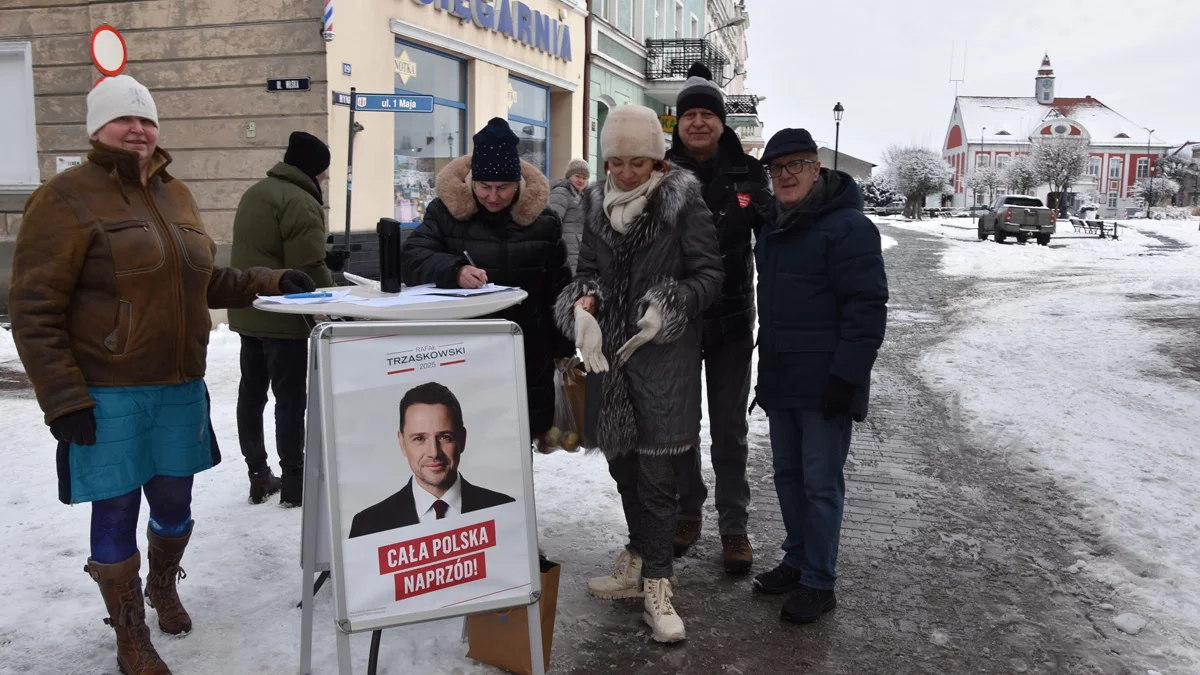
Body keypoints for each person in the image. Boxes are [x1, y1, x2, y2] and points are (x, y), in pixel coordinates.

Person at [7, 74, 313, 675]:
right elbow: (33, 307)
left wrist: (268, 280)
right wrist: (62, 396)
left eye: (146, 120)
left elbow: (202, 282)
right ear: (97, 128)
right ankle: (129, 632)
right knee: (117, 508)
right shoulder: (66, 197)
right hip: (107, 390)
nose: (138, 130)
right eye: (124, 119)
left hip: (179, 386)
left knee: (175, 501)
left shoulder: (175, 195)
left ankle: (163, 585)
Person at [554, 104, 723, 643]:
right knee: (622, 468)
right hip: (611, 361)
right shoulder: (596, 203)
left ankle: (658, 586)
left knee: (656, 480)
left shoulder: (683, 202)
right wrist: (584, 306)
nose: (625, 173)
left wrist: (667, 304)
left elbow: (709, 273)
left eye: (637, 163)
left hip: (664, 362)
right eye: (616, 162)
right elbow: (586, 272)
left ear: (657, 161)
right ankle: (637, 557)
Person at [750, 128, 888, 624]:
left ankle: (819, 581)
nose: (785, 176)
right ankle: (796, 559)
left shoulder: (849, 227)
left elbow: (867, 307)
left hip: (826, 379)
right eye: (776, 168)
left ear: (816, 168)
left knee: (821, 483)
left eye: (795, 166)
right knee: (787, 476)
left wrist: (847, 377)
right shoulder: (773, 223)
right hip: (783, 373)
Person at [402, 117, 575, 450]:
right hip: (463, 352)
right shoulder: (445, 213)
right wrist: (453, 270)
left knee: (518, 446)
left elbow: (559, 287)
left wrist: (564, 348)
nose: (493, 196)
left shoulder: (544, 221)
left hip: (527, 353)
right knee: (463, 440)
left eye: (503, 187)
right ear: (470, 182)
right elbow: (411, 257)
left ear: (518, 184)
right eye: (484, 187)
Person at [665, 63, 770, 572]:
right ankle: (688, 512)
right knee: (681, 426)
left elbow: (774, 232)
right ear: (677, 123)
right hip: (677, 320)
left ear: (722, 123)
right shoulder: (659, 172)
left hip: (731, 320)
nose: (699, 122)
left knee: (729, 428)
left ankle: (735, 526)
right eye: (691, 115)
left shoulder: (749, 174)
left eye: (708, 113)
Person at [228, 131, 339, 507]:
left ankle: (257, 475)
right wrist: (335, 299)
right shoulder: (300, 201)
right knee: (290, 400)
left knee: (252, 394)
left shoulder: (256, 192)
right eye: (324, 172)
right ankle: (294, 482)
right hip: (283, 317)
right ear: (314, 168)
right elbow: (308, 267)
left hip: (248, 308)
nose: (325, 178)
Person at [348, 382, 515, 538]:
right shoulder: (368, 526)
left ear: (462, 439)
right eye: (420, 438)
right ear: (402, 442)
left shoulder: (503, 509)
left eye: (444, 437)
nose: (434, 452)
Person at [548, 157, 591, 275]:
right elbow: (553, 223)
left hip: (576, 251)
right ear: (569, 175)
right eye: (578, 176)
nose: (581, 180)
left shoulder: (579, 195)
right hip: (566, 250)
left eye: (584, 178)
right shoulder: (562, 192)